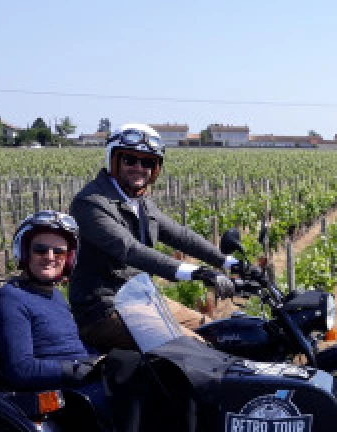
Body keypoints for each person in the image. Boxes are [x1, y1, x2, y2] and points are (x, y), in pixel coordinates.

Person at [68, 123, 252, 351]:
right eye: (130, 160)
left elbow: (180, 235)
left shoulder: (140, 202)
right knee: (195, 349)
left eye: (147, 162)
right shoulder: (91, 203)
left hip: (142, 301)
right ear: (114, 161)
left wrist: (230, 263)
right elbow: (129, 250)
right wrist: (197, 272)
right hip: (104, 309)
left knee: (220, 333)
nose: (139, 167)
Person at [0, 211, 102, 389]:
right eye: (40, 250)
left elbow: (69, 345)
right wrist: (79, 369)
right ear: (25, 253)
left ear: (69, 260)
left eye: (59, 252)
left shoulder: (55, 295)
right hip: (67, 392)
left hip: (89, 379)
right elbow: (22, 369)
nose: (50, 257)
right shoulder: (10, 299)